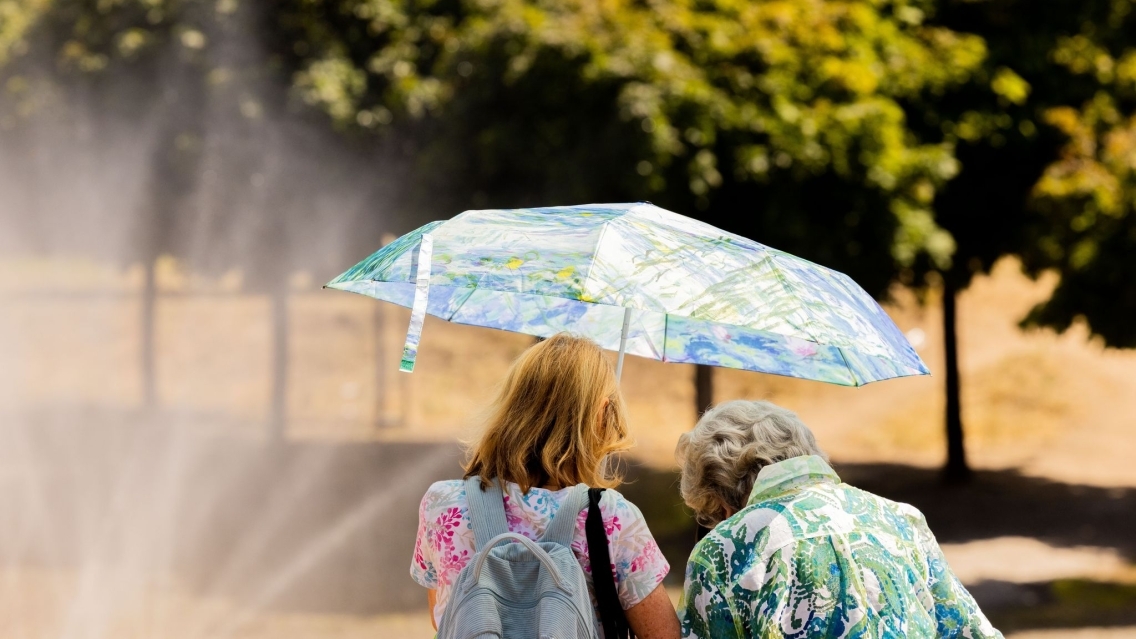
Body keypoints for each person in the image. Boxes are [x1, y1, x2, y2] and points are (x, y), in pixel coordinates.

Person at [411, 333, 681, 638]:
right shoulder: (611, 518)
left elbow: (444, 616)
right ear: (601, 414)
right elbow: (663, 634)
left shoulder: (442, 504)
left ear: (512, 402)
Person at [675, 400, 1003, 639]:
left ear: (720, 499)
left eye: (713, 515)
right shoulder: (902, 519)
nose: (716, 524)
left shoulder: (724, 550)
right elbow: (969, 631)